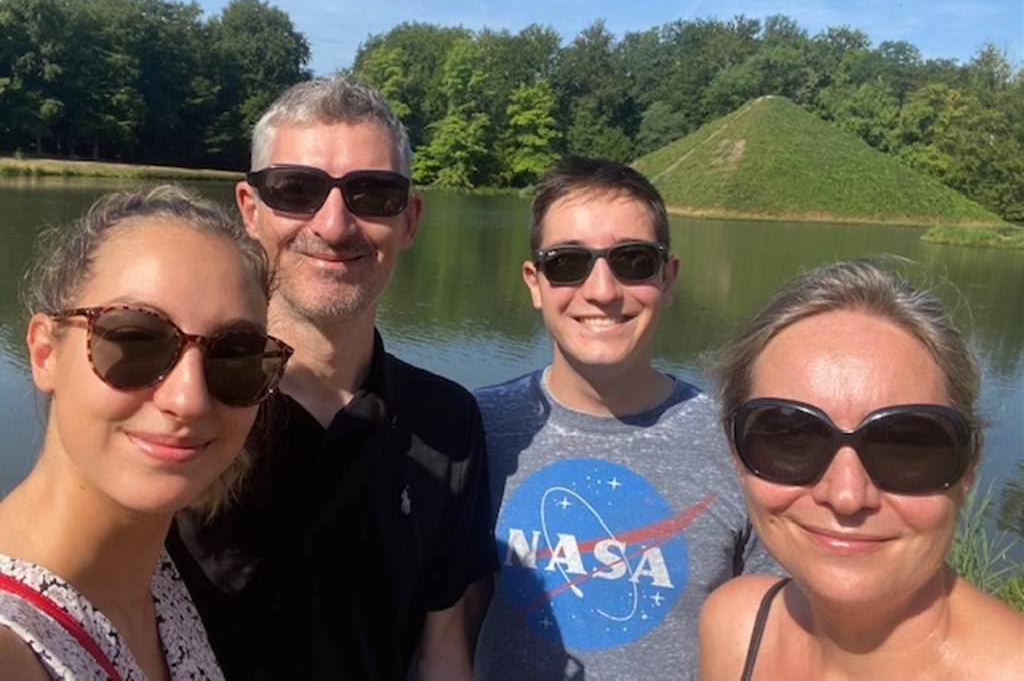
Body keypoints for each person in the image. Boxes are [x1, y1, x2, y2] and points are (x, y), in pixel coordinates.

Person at [168, 74, 497, 680]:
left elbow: (440, 646)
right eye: (296, 189)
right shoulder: (182, 397)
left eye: (373, 194)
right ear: (250, 209)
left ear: (410, 219)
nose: (334, 224)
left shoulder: (445, 421)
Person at [473, 155, 778, 680]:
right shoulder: (472, 430)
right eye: (567, 262)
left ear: (669, 277)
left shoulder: (741, 447)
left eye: (633, 261)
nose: (602, 291)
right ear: (534, 281)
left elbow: (776, 644)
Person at [0, 185, 291, 680]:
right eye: (135, 339)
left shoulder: (152, 578)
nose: (189, 398)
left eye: (236, 355)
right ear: (46, 353)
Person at [699, 257, 1024, 680]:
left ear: (969, 467)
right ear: (736, 452)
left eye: (905, 445)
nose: (847, 496)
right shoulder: (736, 630)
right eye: (791, 438)